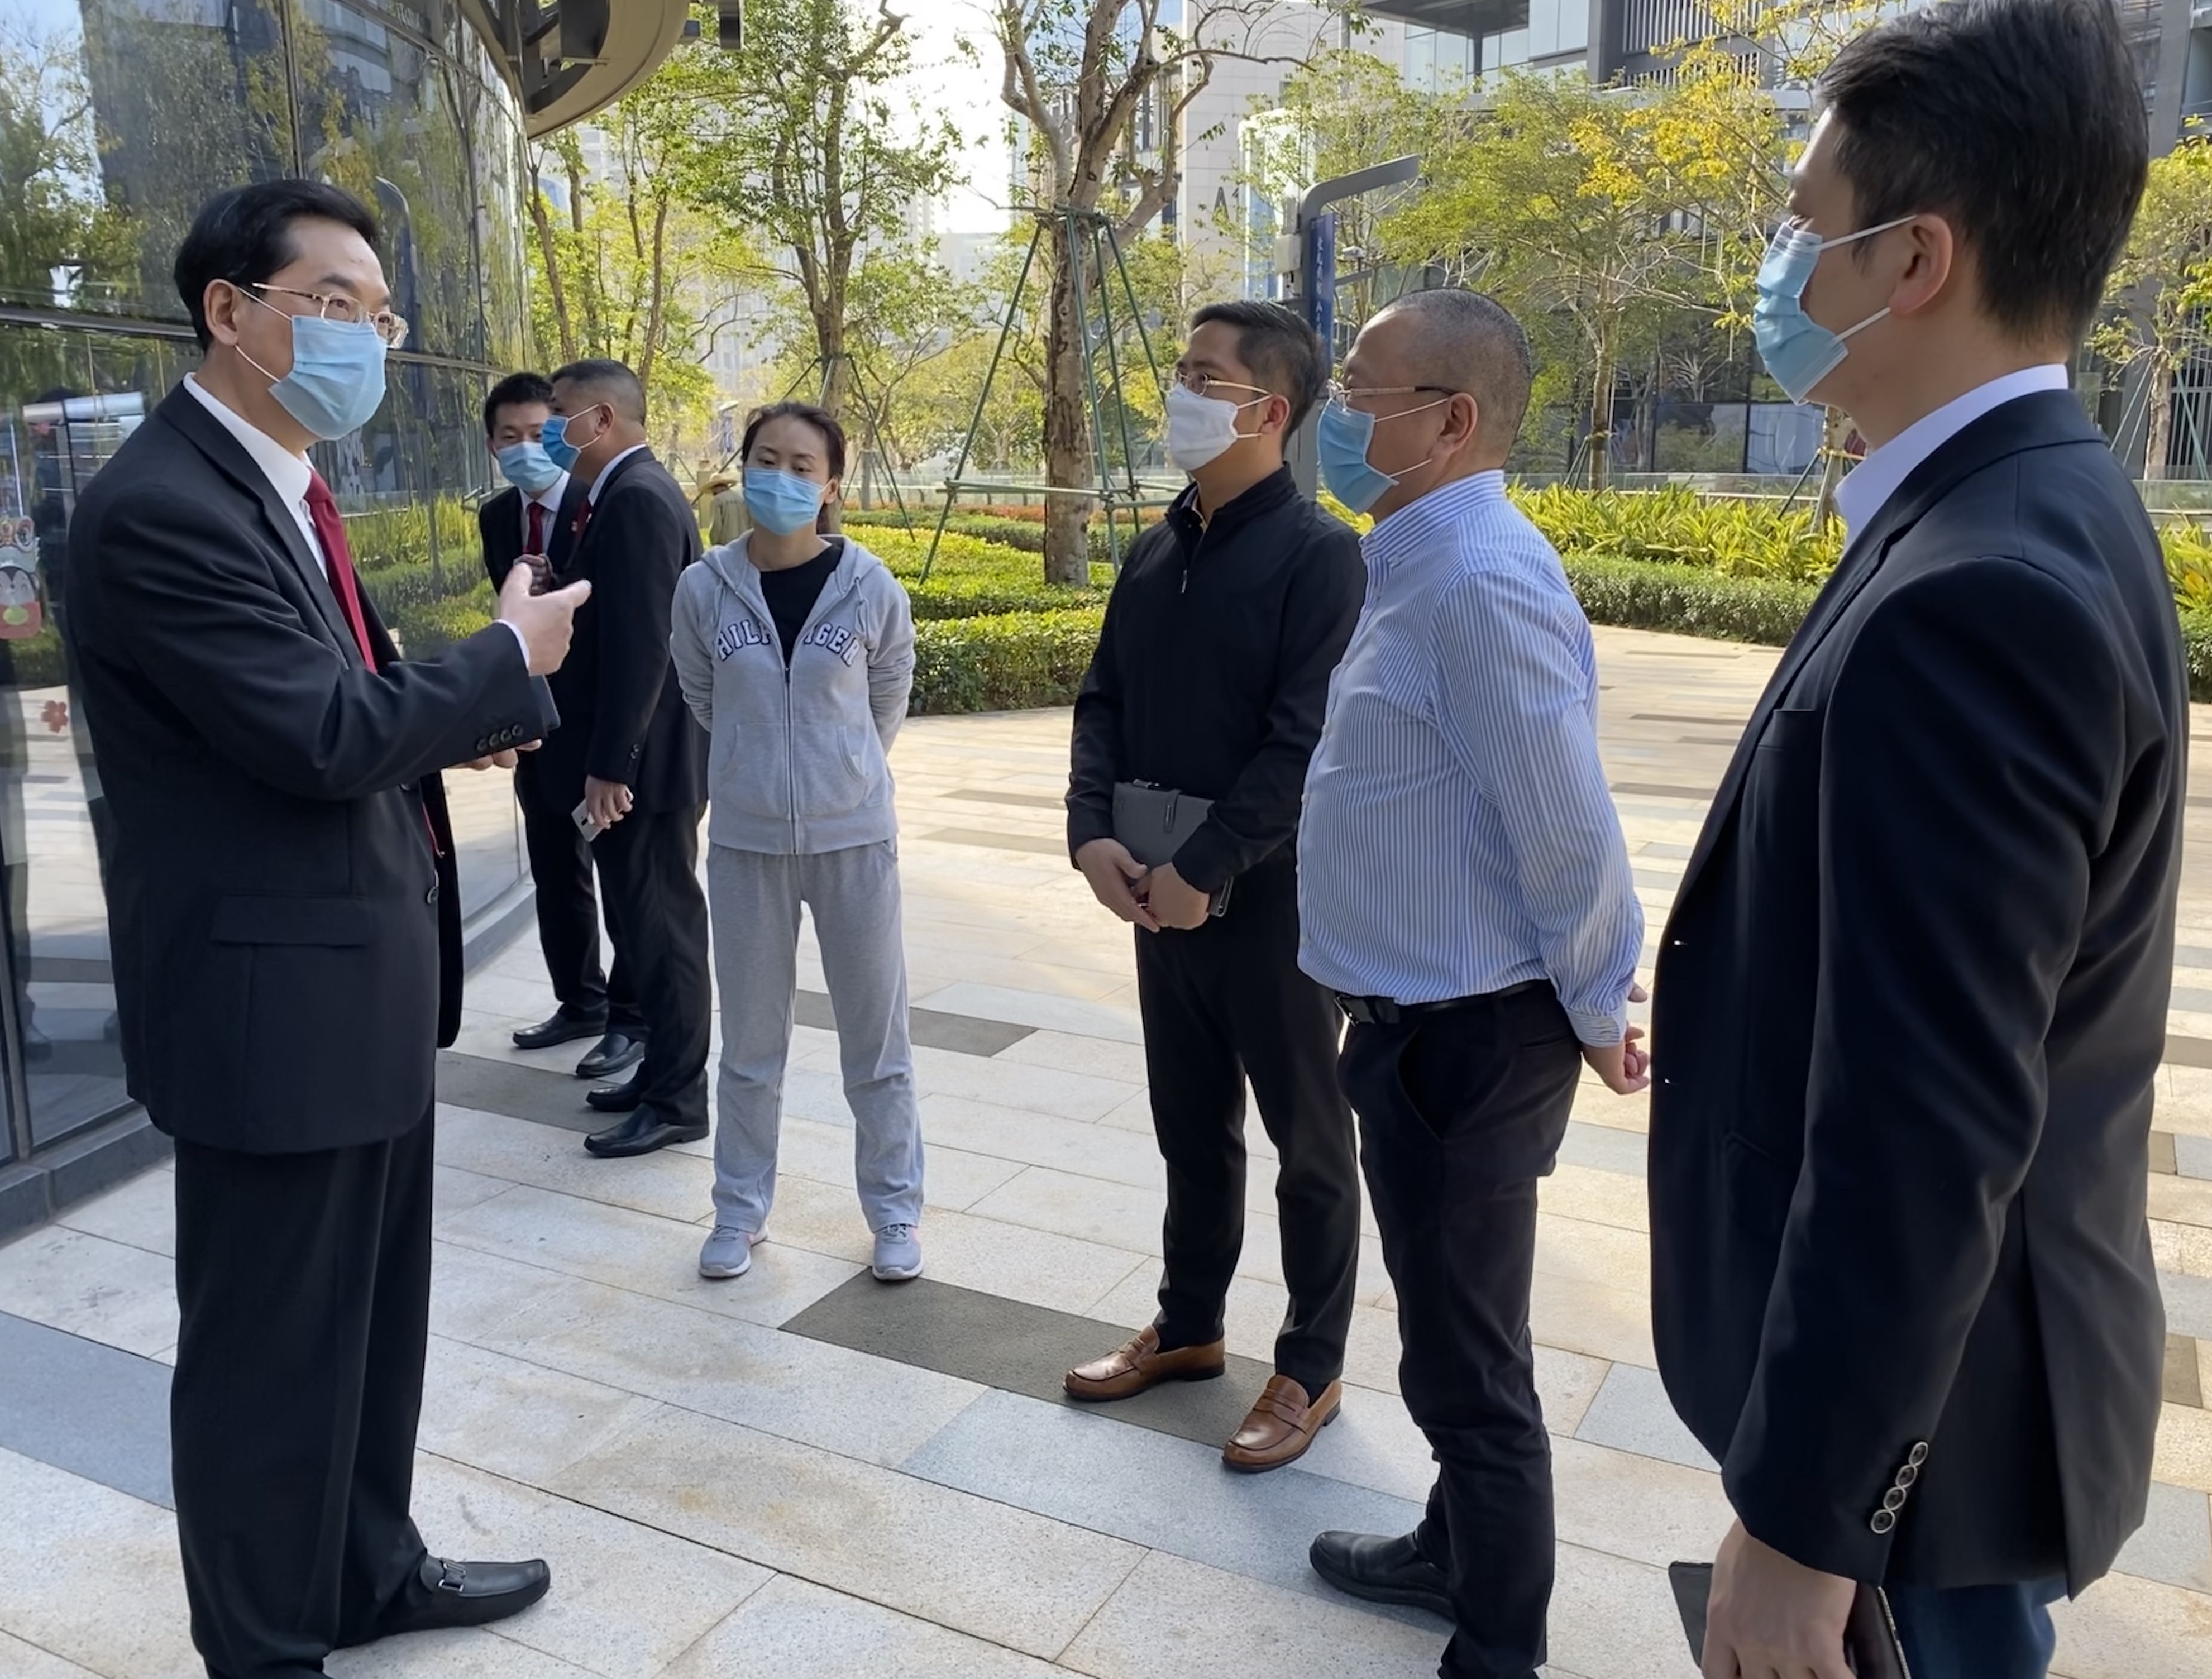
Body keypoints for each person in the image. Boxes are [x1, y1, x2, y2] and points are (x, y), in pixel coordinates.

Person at [1647, 5, 2174, 1677]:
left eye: (1801, 226)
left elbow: (1925, 1118)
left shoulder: (1982, 588)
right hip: (1948, 1394)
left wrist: (1807, 1523)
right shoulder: (2024, 500)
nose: (1778, 268)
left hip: (1923, 1448)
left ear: (1914, 260)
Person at [60, 179, 589, 1679]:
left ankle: (367, 1571)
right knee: (269, 1354)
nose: (368, 336)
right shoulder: (163, 506)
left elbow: (328, 712)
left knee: (366, 1319)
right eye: (335, 304)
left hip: (353, 986)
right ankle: (265, 1643)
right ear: (231, 311)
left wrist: (459, 714)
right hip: (266, 1014)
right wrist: (502, 657)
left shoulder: (281, 485)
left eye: (381, 312)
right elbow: (315, 731)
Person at [1296, 289, 1647, 1679]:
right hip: (1413, 1030)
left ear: (1447, 421)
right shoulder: (1416, 560)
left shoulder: (1480, 581)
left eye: (1358, 388)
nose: (1335, 413)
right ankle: (1451, 1550)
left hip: (1473, 1038)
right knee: (1447, 1330)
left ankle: (1498, 1641)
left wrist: (1601, 1003)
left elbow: (1566, 829)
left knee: (1469, 1361)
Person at [1062, 300, 1366, 1472]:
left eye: (1203, 375)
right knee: (1190, 1125)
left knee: (1309, 1142)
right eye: (1182, 370)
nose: (1178, 392)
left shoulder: (1322, 557)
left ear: (1268, 410)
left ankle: (1311, 1364)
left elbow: (1304, 742)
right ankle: (1189, 1325)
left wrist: (1208, 866)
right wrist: (1092, 837)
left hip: (1271, 904)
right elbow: (1103, 701)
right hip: (1154, 893)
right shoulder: (1157, 548)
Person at [669, 400, 925, 1283]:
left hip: (854, 838)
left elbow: (887, 689)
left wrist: (842, 766)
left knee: (875, 1041)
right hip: (746, 843)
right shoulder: (704, 587)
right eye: (766, 459)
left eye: (802, 465)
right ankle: (739, 1210)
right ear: (743, 468)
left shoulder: (869, 584)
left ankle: (894, 1209)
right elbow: (701, 691)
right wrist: (753, 764)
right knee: (749, 1045)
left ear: (831, 485)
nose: (781, 476)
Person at [539, 358, 714, 1157]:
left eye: (559, 415)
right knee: (643, 931)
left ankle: (678, 1098)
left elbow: (645, 646)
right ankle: (659, 1076)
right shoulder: (618, 493)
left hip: (646, 769)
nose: (551, 430)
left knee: (664, 933)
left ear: (601, 419)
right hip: (635, 761)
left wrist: (613, 765)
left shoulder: (638, 497)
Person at [478, 371, 644, 1082]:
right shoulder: (496, 517)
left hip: (598, 729)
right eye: (508, 436)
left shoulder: (599, 499)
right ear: (492, 445)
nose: (524, 447)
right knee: (554, 870)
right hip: (534, 727)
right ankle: (580, 1000)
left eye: (537, 432)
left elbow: (631, 628)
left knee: (623, 878)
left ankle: (632, 1018)